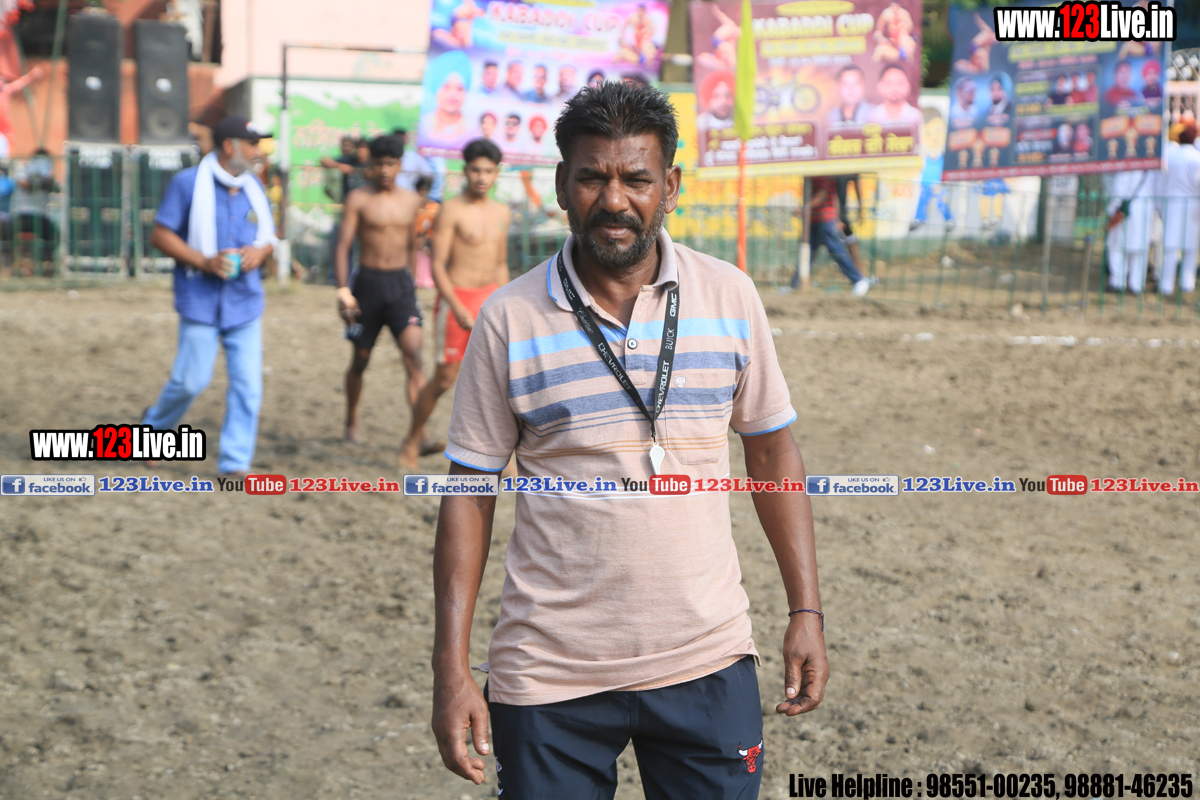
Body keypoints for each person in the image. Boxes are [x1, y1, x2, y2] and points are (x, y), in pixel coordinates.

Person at [430, 82, 828, 798]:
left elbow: (773, 453)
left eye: (636, 179)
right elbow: (468, 494)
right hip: (550, 676)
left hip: (707, 660)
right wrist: (450, 667)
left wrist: (806, 612)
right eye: (593, 177)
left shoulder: (730, 296)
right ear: (562, 184)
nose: (614, 200)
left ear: (670, 186)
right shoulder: (508, 319)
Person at [141, 116, 277, 475]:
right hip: (200, 300)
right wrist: (204, 261)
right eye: (252, 144)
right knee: (190, 381)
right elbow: (160, 235)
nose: (258, 151)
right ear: (230, 146)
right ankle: (153, 429)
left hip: (244, 302)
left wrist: (259, 252)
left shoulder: (254, 187)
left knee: (248, 387)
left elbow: (269, 238)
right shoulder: (187, 183)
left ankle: (235, 462)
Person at [400, 138, 509, 468]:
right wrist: (457, 307)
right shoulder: (451, 209)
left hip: (490, 298)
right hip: (457, 299)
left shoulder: (502, 212)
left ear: (496, 173)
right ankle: (413, 438)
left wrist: (507, 303)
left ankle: (506, 458)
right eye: (475, 170)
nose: (481, 177)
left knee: (501, 381)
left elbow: (500, 263)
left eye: (487, 171)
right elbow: (437, 265)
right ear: (465, 171)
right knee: (445, 379)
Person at [334, 135, 434, 450]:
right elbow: (343, 246)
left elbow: (412, 245)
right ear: (370, 165)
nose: (385, 170)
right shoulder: (358, 199)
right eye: (379, 164)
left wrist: (412, 283)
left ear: (399, 165)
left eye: (391, 164)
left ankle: (420, 433)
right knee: (360, 359)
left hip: (400, 286)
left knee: (414, 356)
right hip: (367, 285)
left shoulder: (411, 201)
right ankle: (351, 421)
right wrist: (343, 290)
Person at [797, 174, 869, 296]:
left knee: (843, 245)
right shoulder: (815, 175)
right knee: (811, 250)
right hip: (822, 218)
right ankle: (796, 284)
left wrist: (838, 218)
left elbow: (825, 193)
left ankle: (860, 278)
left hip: (828, 219)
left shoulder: (823, 175)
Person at [1160, 124, 1200, 296]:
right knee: (1190, 246)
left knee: (1170, 245)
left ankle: (1166, 284)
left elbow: (1161, 182)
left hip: (1172, 203)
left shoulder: (1170, 156)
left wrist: (1160, 204)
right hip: (1193, 204)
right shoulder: (1197, 157)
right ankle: (1187, 283)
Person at [1105, 169, 1157, 294]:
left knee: (1117, 247)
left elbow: (1119, 191)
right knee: (1140, 249)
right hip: (1147, 208)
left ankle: (1117, 282)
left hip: (1127, 210)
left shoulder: (1128, 165)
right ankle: (1137, 285)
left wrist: (1111, 210)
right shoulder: (1152, 167)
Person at [910, 108, 953, 232]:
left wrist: (943, 182)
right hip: (925, 183)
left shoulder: (943, 155)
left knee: (940, 202)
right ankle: (919, 219)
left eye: (938, 130)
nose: (933, 136)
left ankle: (949, 220)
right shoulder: (924, 154)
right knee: (922, 201)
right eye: (928, 133)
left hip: (938, 183)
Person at [420, 52, 472, 148]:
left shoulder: (472, 129)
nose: (453, 93)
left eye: (459, 88)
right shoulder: (423, 125)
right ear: (435, 88)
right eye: (446, 86)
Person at [0, 65, 45, 157]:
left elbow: (21, 83)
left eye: (3, 80)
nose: (2, 82)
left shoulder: (7, 89)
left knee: (9, 143)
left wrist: (32, 75)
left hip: (4, 122)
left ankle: (6, 162)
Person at [394, 128, 447, 203]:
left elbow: (430, 176)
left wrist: (422, 191)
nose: (399, 141)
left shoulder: (414, 158)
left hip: (409, 200)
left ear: (406, 140)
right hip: (390, 198)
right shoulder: (386, 159)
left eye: (401, 139)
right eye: (396, 139)